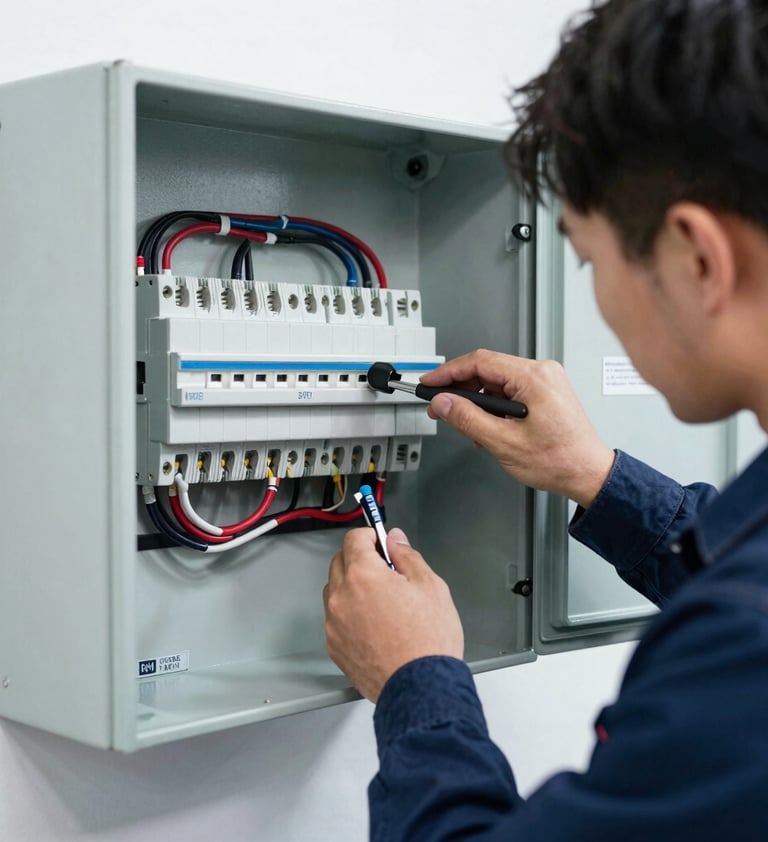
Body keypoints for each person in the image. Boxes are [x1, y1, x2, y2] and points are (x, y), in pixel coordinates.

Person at [323, 0, 768, 838]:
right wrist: (592, 474)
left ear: (696, 259)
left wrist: (417, 677)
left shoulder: (738, 657)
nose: (594, 292)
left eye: (591, 259)